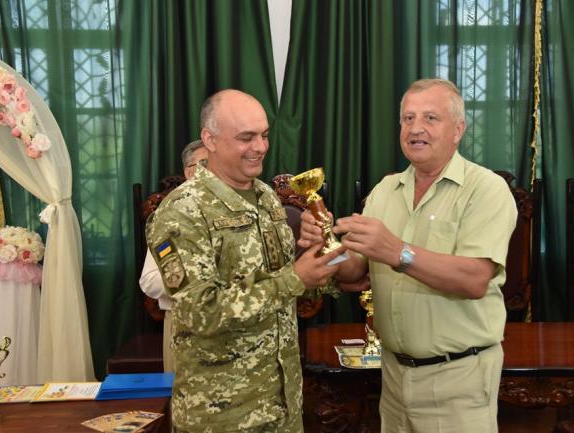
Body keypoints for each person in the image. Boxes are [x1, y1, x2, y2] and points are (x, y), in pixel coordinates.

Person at [299, 78, 517, 433]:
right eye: (408, 118)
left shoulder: (486, 190)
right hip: (393, 378)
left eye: (431, 118)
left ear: (458, 129)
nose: (416, 128)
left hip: (458, 377)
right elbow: (355, 274)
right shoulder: (385, 191)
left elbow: (475, 279)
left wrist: (398, 251)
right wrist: (326, 246)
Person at [145, 89, 342, 433]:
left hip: (283, 407)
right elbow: (200, 312)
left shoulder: (266, 197)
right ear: (210, 140)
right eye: (246, 137)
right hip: (223, 416)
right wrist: (295, 278)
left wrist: (313, 255)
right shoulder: (182, 211)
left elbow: (285, 292)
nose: (261, 147)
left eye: (264, 135)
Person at [139, 139, 208, 372]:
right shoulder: (171, 214)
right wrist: (197, 284)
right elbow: (149, 281)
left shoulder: (238, 208)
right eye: (205, 164)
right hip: (184, 325)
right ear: (189, 172)